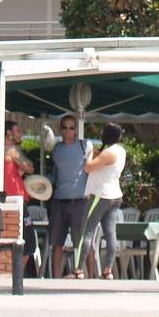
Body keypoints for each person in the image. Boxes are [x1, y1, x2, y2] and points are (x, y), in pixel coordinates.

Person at [43, 114, 90, 278]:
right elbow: (54, 175)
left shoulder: (85, 146)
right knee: (57, 242)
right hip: (59, 201)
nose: (68, 131)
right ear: (60, 129)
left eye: (71, 127)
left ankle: (90, 276)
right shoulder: (57, 149)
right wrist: (42, 185)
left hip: (80, 201)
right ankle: (55, 277)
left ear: (76, 130)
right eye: (65, 127)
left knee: (83, 241)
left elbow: (94, 170)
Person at [82, 121, 128, 280]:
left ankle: (78, 270)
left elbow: (88, 168)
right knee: (110, 234)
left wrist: (89, 153)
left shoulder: (108, 153)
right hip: (115, 195)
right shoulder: (121, 151)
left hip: (101, 195)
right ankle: (108, 269)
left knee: (86, 232)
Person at [1, 117, 29, 200]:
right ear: (9, 133)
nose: (20, 134)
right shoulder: (10, 150)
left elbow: (30, 166)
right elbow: (29, 168)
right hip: (13, 195)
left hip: (16, 194)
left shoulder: (14, 149)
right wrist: (24, 167)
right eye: (18, 131)